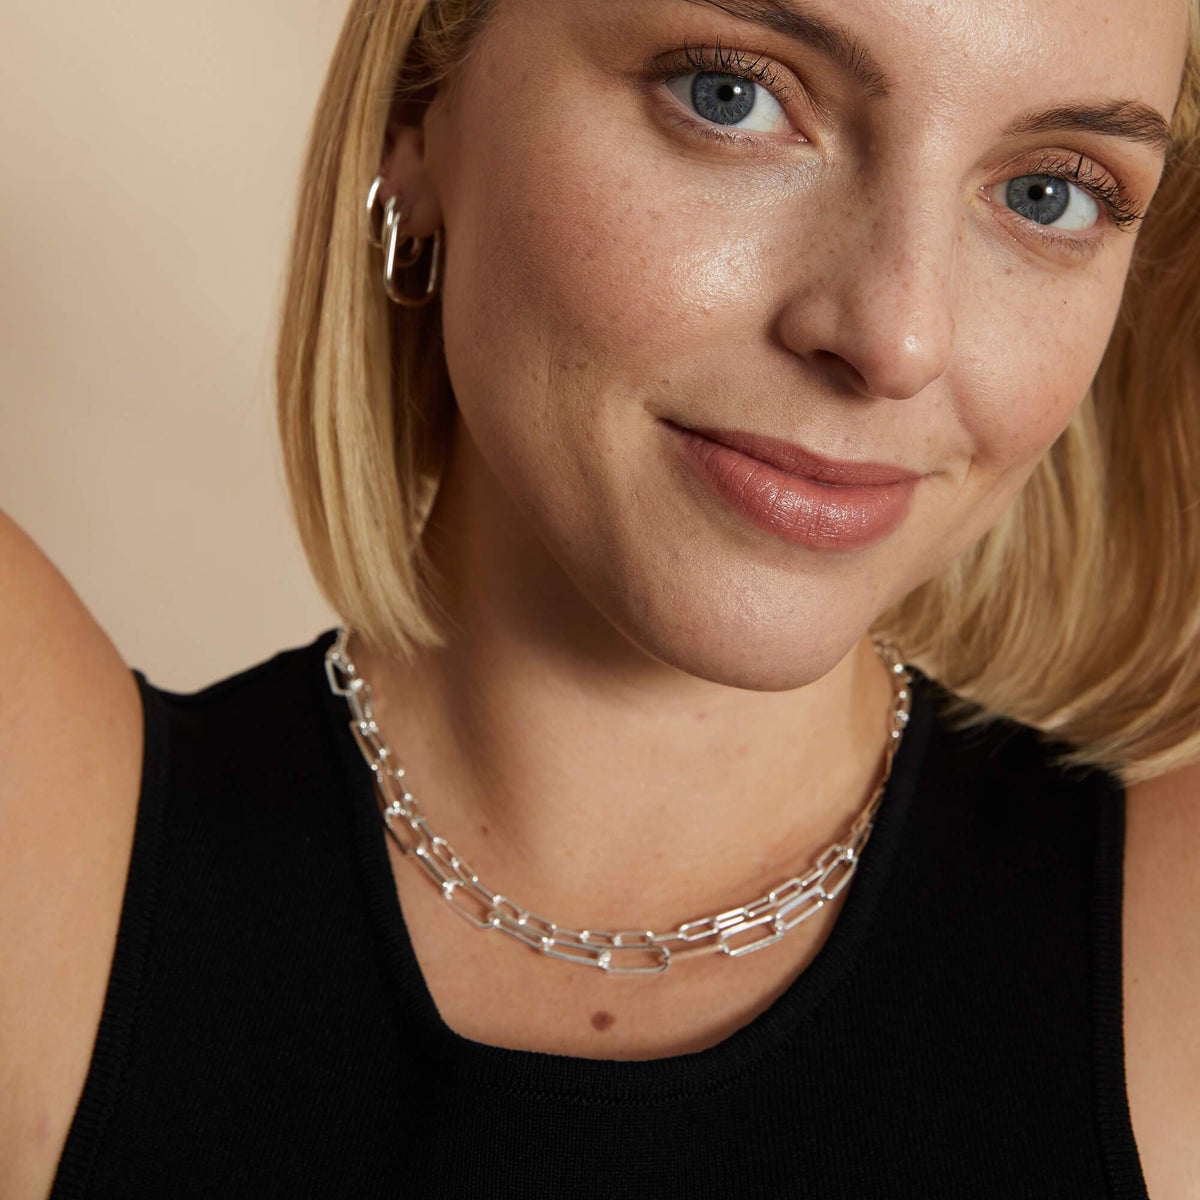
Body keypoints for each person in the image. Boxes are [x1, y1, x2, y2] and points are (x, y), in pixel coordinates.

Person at [2, 0, 1199, 1195]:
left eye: (1051, 193)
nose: (897, 340)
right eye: (731, 96)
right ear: (418, 112)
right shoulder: (47, 852)